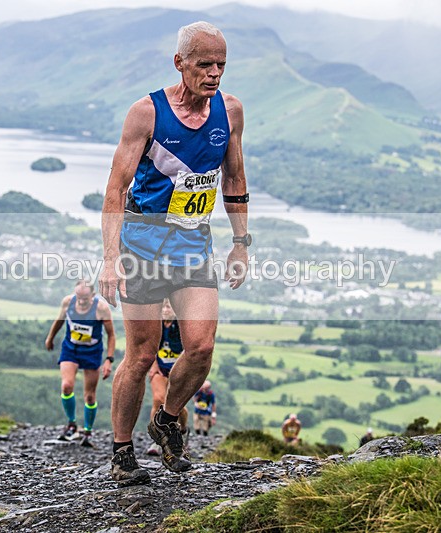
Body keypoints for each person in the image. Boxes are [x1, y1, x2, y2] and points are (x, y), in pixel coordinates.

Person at [99, 20, 250, 486]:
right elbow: (116, 190)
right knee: (141, 355)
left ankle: (167, 419)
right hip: (142, 246)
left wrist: (241, 243)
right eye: (205, 64)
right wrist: (109, 257)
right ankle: (123, 452)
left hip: (192, 245)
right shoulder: (147, 113)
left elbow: (234, 180)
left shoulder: (231, 112)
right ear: (179, 63)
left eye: (221, 64)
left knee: (201, 346)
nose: (215, 73)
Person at [45, 280, 115, 448]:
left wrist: (109, 360)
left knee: (89, 396)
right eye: (78, 296)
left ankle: (87, 431)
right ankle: (71, 424)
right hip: (71, 348)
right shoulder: (68, 302)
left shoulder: (101, 308)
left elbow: (111, 335)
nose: (81, 300)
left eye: (84, 298)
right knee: (67, 386)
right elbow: (59, 320)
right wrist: (50, 337)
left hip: (92, 352)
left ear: (92, 295)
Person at [147, 298, 189, 456]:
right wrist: (153, 365)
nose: (166, 310)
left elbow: (190, 348)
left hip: (178, 369)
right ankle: (157, 439)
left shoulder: (181, 325)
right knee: (158, 400)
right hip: (159, 366)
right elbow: (149, 346)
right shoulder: (155, 323)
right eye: (164, 306)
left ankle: (182, 428)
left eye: (170, 306)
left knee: (177, 405)